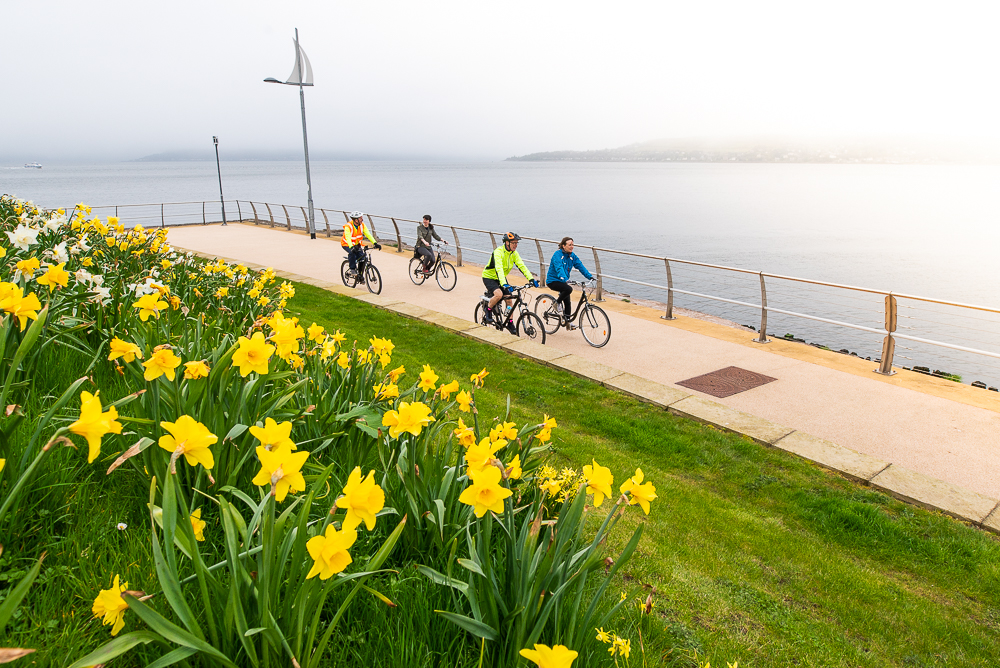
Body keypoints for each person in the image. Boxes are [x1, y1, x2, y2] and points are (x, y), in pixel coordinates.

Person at [481, 232, 538, 326]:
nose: (515, 245)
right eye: (513, 243)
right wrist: (504, 284)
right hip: (489, 277)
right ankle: (488, 309)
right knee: (499, 294)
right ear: (507, 243)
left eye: (516, 243)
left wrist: (531, 279)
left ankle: (510, 323)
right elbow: (498, 269)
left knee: (509, 299)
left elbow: (522, 266)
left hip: (501, 278)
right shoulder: (498, 252)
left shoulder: (514, 254)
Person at [546, 237, 594, 328]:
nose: (572, 247)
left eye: (572, 245)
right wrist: (565, 278)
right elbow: (559, 268)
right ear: (563, 246)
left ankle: (567, 322)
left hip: (563, 281)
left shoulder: (572, 256)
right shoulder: (557, 255)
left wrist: (589, 276)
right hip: (553, 281)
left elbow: (580, 266)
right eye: (569, 245)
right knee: (568, 289)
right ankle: (556, 303)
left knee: (568, 302)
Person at [342, 211, 380, 283]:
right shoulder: (348, 226)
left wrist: (375, 243)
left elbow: (368, 234)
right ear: (356, 220)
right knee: (352, 253)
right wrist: (351, 247)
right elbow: (348, 237)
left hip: (357, 245)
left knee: (363, 259)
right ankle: (352, 268)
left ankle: (360, 276)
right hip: (346, 244)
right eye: (360, 218)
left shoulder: (362, 225)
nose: (362, 219)